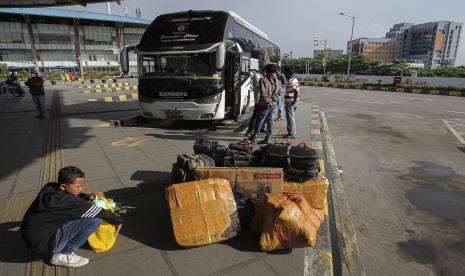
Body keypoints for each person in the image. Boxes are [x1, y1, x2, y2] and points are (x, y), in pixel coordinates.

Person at [20, 166, 123, 268]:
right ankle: (63, 254)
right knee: (94, 221)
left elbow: (71, 197)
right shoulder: (73, 203)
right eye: (78, 187)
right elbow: (100, 212)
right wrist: (119, 221)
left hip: (31, 237)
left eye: (82, 186)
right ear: (63, 187)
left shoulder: (50, 187)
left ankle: (59, 247)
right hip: (44, 245)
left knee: (76, 215)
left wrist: (86, 196)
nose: (81, 189)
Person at [248, 64, 283, 144]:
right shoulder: (278, 81)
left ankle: (254, 136)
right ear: (274, 71)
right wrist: (273, 100)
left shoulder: (263, 79)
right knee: (270, 120)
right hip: (273, 104)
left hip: (264, 104)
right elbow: (280, 93)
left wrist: (268, 101)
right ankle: (267, 138)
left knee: (260, 120)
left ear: (267, 71)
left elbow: (263, 92)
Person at [283, 66, 300, 139]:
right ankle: (290, 132)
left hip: (290, 102)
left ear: (286, 73)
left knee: (290, 118)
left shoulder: (290, 81)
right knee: (290, 117)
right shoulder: (294, 79)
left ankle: (291, 134)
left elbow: (295, 91)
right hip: (292, 101)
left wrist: (294, 102)